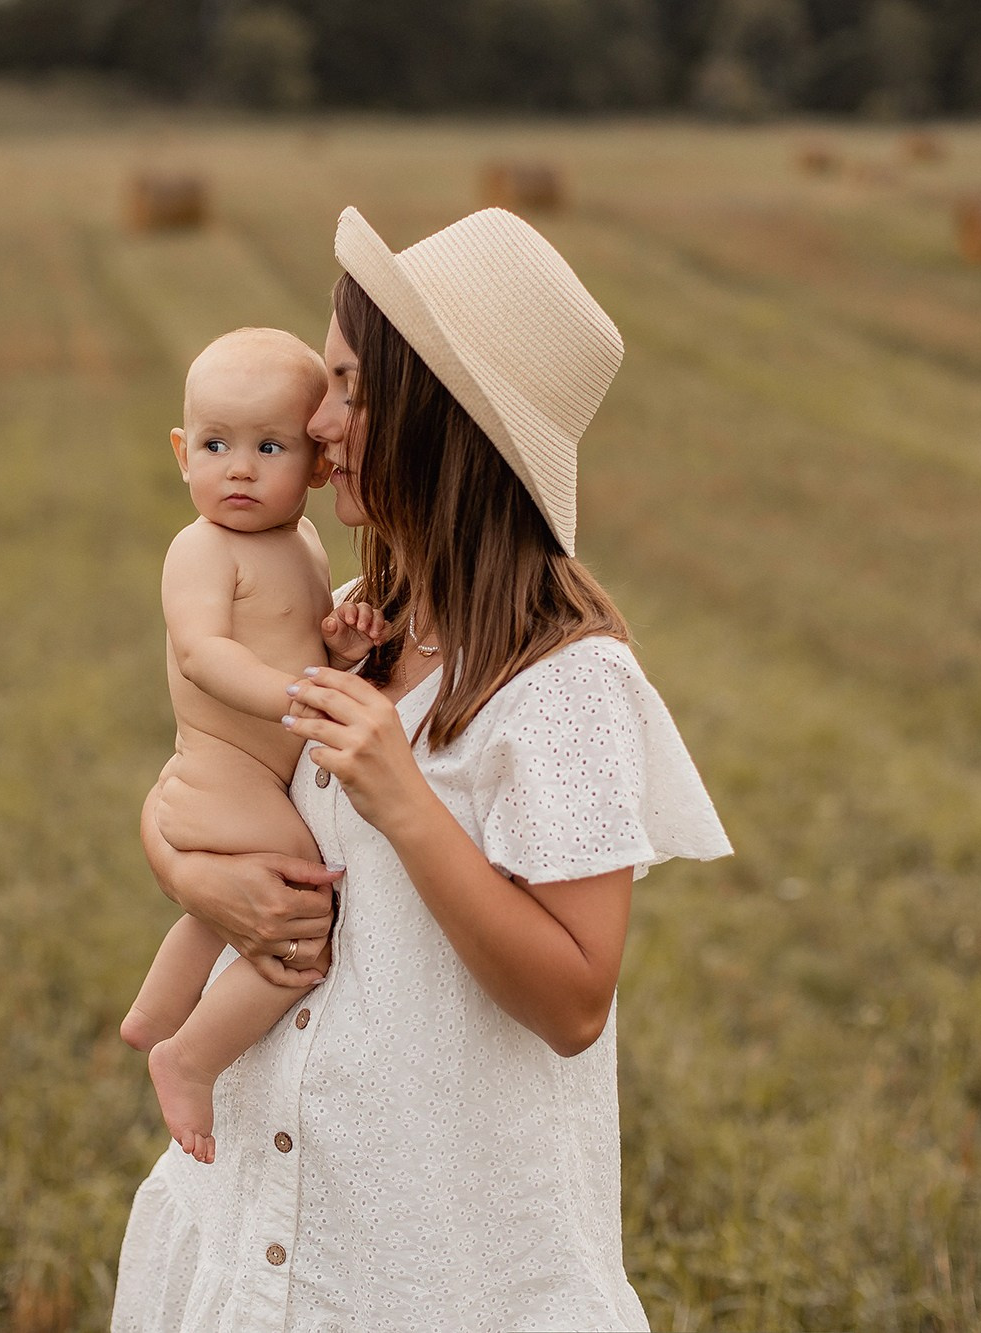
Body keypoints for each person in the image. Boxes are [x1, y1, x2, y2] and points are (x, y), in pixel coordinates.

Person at [113, 207, 732, 1331]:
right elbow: (207, 788)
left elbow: (573, 998)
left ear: (434, 419)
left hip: (428, 1265)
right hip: (265, 1221)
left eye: (346, 385)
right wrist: (187, 871)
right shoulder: (369, 626)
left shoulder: (563, 687)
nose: (316, 417)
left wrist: (403, 802)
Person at [120, 327, 386, 1166]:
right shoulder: (201, 549)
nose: (238, 468)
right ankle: (189, 1056)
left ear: (314, 464)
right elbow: (204, 653)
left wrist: (338, 649)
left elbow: (298, 642)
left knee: (227, 905)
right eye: (215, 444)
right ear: (180, 451)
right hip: (221, 771)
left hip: (253, 776)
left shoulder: (303, 544)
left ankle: (157, 1011)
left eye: (268, 446)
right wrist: (301, 694)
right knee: (302, 910)